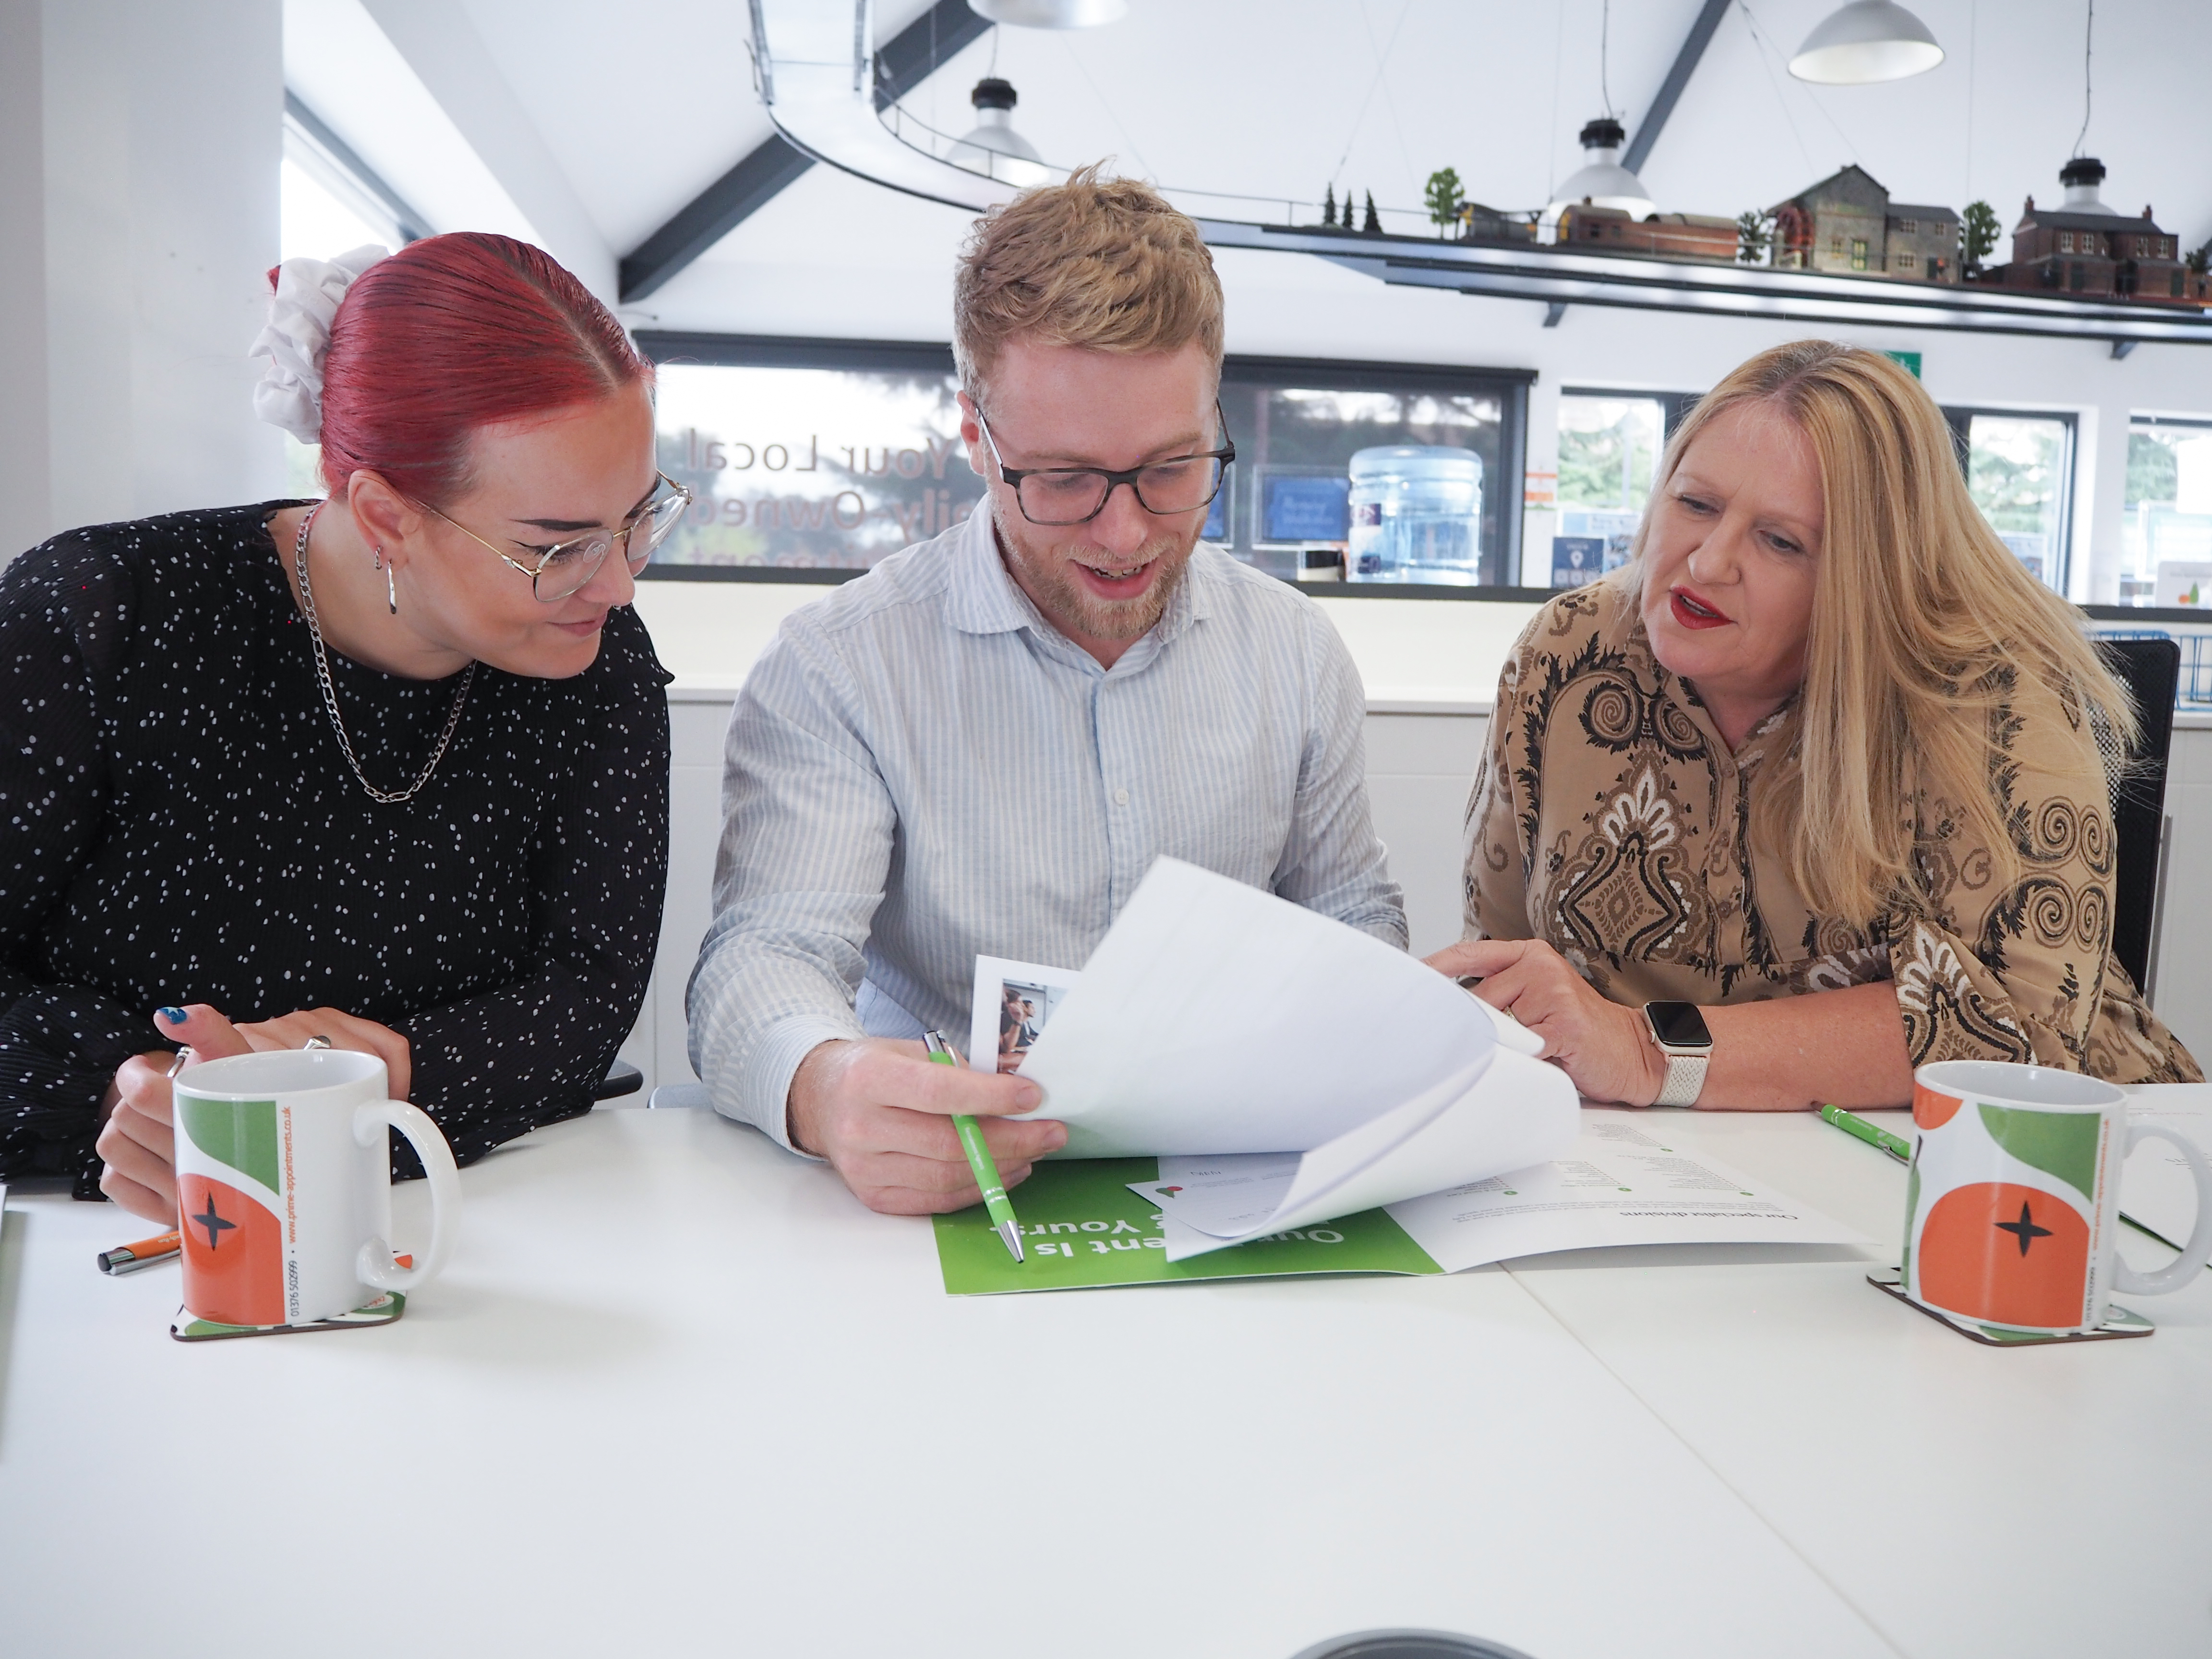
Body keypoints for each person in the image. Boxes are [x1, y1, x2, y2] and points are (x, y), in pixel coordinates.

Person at [688, 166, 1404, 1214]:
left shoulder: (1295, 651)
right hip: (941, 1190)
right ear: (976, 437)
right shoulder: (841, 664)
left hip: (1229, 1176)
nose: (1124, 536)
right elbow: (768, 955)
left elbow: (1349, 914)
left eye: (1170, 469)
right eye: (1064, 480)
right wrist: (827, 1088)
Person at [0, 232, 684, 1222]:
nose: (617, 583)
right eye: (559, 545)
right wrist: (125, 1086)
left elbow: (587, 996)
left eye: (638, 517)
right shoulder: (102, 615)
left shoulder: (595, 655)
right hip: (123, 1234)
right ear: (385, 514)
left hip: (465, 1218)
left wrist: (369, 1076)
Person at [1431, 339, 2199, 1107]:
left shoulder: (1988, 694)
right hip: (1647, 1155)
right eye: (1695, 504)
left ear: (1868, 577)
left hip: (2011, 1161)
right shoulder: (1567, 652)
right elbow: (1503, 960)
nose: (1706, 563)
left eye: (1780, 541)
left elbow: (2027, 1025)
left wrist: (1647, 1050)